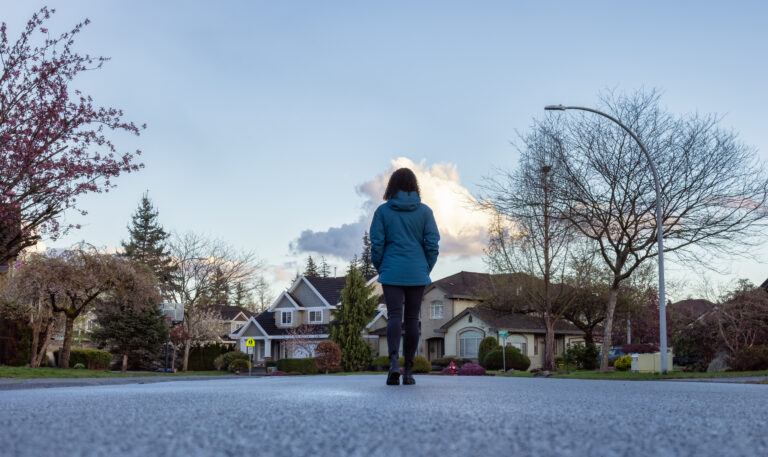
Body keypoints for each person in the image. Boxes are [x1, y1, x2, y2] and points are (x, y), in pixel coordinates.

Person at [370, 168, 439, 386]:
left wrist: (381, 267)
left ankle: (392, 364)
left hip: (391, 271)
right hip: (417, 272)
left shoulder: (382, 212)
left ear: (391, 187)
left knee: (393, 317)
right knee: (411, 320)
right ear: (414, 187)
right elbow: (432, 244)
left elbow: (377, 244)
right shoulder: (425, 212)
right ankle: (408, 371)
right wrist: (426, 268)